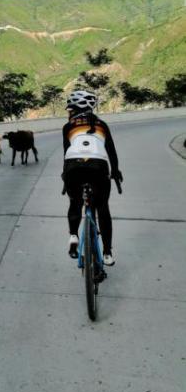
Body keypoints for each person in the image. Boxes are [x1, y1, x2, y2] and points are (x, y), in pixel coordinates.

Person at [62, 90, 123, 266]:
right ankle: (107, 253)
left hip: (73, 166)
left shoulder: (68, 127)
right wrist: (116, 172)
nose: (69, 112)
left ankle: (73, 235)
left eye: (70, 109)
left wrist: (65, 176)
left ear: (74, 108)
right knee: (102, 207)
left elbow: (66, 153)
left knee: (75, 202)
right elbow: (111, 152)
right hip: (99, 167)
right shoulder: (102, 125)